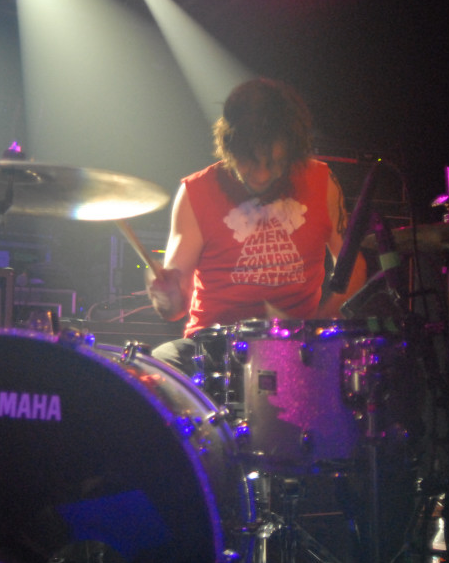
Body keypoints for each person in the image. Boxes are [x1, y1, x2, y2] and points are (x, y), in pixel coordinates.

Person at [145, 77, 367, 375]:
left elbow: (353, 265)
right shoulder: (196, 192)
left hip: (297, 345)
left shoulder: (322, 182)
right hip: (214, 349)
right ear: (229, 147)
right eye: (249, 162)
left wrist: (321, 322)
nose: (262, 175)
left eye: (275, 163)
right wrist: (165, 295)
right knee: (159, 366)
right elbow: (174, 309)